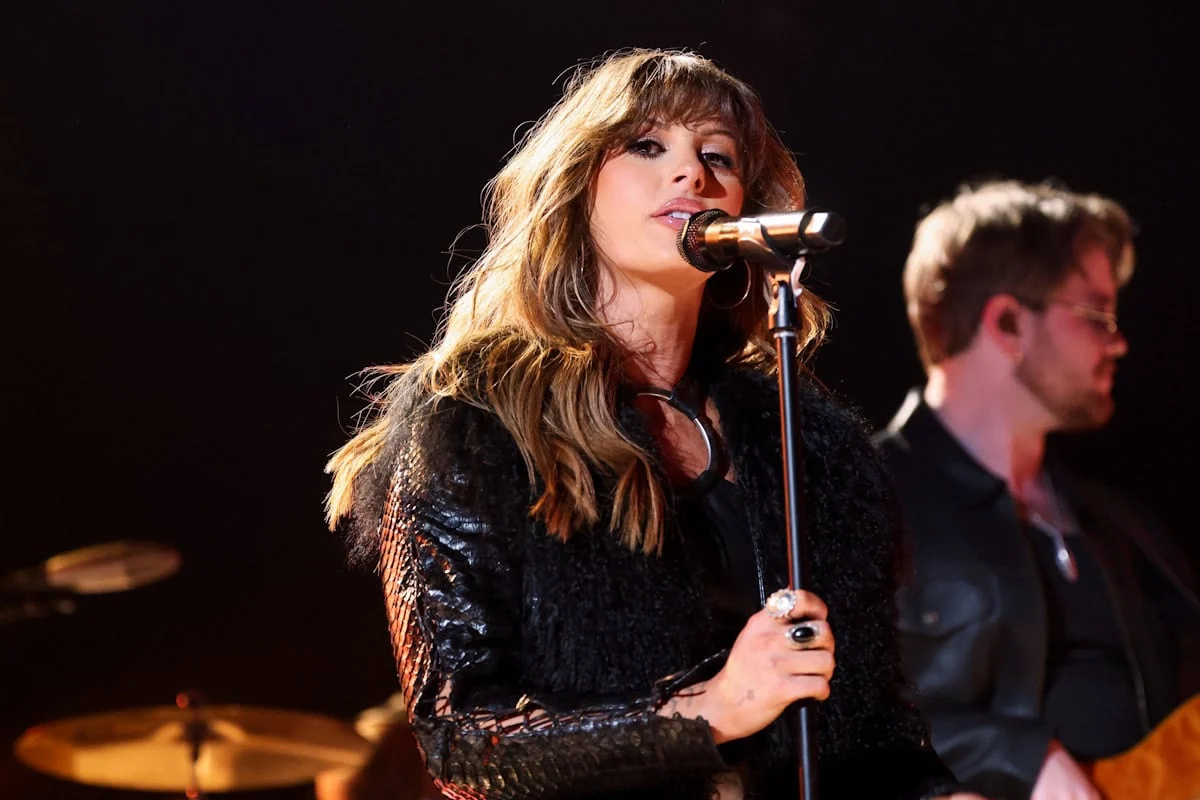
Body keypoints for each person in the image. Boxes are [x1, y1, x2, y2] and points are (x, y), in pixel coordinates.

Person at [325, 48, 977, 800]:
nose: (692, 174)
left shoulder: (808, 445)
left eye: (718, 157)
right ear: (576, 185)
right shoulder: (472, 423)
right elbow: (462, 741)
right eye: (646, 145)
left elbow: (873, 729)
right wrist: (707, 712)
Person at [875, 179, 1200, 799]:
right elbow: (830, 717)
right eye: (1097, 315)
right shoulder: (863, 500)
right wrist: (1022, 758)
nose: (1118, 341)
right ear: (1007, 321)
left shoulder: (1121, 524)